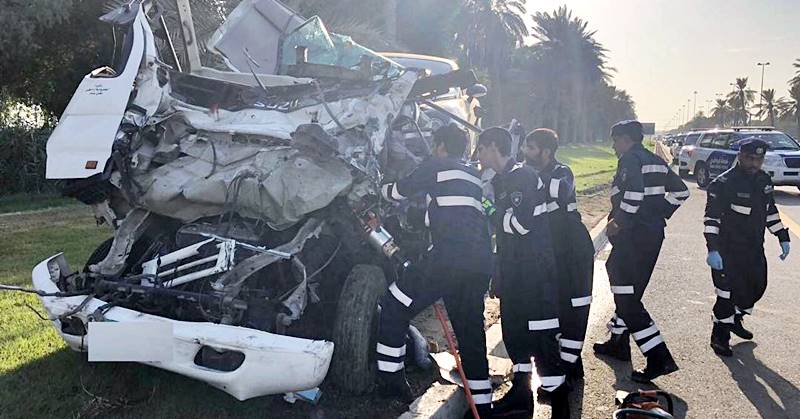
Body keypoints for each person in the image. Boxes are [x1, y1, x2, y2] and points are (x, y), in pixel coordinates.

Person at [376, 123, 494, 418]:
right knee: (470, 332)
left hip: (447, 258)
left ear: (440, 145)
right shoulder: (472, 175)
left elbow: (397, 193)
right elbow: (454, 211)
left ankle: (391, 380)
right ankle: (481, 406)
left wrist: (376, 187)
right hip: (479, 262)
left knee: (395, 304)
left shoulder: (436, 165)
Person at [477, 127, 570, 418]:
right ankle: (520, 397)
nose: (478, 155)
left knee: (542, 340)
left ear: (493, 147)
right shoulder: (504, 179)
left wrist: (489, 208)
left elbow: (522, 224)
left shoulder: (522, 178)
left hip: (534, 275)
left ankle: (561, 407)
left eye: (481, 149)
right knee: (515, 335)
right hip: (515, 272)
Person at [592, 120, 689, 383]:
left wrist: (619, 221)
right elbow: (682, 192)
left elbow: (633, 194)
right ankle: (618, 341)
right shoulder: (655, 160)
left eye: (615, 140)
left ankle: (658, 356)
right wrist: (658, 213)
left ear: (625, 139)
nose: (613, 145)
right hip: (651, 236)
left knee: (626, 295)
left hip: (633, 237)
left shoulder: (630, 158)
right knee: (629, 289)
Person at [703, 138, 791, 357]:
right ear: (740, 156)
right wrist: (712, 249)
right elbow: (711, 219)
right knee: (726, 294)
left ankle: (735, 319)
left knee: (755, 287)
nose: (754, 163)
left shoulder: (763, 180)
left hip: (753, 248)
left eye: (759, 159)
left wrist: (782, 236)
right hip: (727, 250)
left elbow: (770, 211)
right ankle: (720, 336)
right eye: (750, 158)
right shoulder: (723, 184)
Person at [522, 129, 595, 383]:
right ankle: (567, 367)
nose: (526, 153)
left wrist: (529, 176)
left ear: (546, 151)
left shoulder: (562, 172)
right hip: (554, 251)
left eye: (531, 148)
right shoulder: (530, 173)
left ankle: (571, 367)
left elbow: (560, 191)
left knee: (574, 307)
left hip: (574, 250)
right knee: (558, 308)